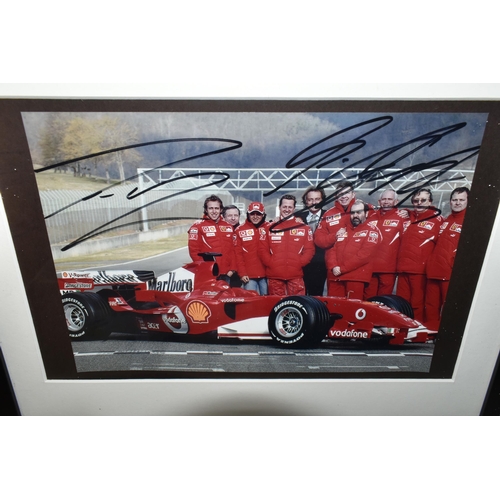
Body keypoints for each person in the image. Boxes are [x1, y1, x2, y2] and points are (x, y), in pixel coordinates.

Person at [396, 188, 444, 323]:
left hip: (420, 270)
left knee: (417, 303)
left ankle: (418, 329)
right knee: (401, 303)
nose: (419, 203)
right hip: (403, 269)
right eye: (416, 201)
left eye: (423, 200)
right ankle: (403, 328)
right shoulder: (408, 218)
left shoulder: (437, 220)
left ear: (430, 202)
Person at [424, 187, 469, 330]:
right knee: (431, 304)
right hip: (434, 269)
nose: (457, 203)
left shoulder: (470, 221)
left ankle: (447, 334)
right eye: (454, 200)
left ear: (468, 201)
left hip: (450, 272)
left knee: (449, 305)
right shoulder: (446, 219)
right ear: (450, 202)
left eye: (461, 200)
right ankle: (431, 331)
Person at [258, 194, 314, 296]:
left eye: (290, 207)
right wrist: (271, 263)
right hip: (275, 275)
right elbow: (262, 249)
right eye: (284, 207)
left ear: (294, 208)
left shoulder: (304, 228)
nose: (287, 210)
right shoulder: (269, 227)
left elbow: (309, 250)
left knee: (298, 305)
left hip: (295, 275)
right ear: (279, 207)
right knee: (277, 306)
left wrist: (299, 263)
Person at [326, 200, 381, 300]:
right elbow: (333, 250)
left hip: (355, 278)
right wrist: (333, 266)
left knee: (352, 309)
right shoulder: (344, 230)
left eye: (359, 212)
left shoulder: (372, 230)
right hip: (336, 277)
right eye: (353, 212)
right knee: (333, 308)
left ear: (366, 213)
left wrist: (342, 269)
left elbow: (364, 255)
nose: (355, 215)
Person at [363, 189, 409, 298]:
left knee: (384, 301)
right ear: (379, 202)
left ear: (396, 202)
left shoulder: (402, 218)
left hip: (389, 268)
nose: (386, 202)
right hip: (370, 268)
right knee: (368, 300)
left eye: (389, 199)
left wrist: (409, 211)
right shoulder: (371, 217)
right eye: (384, 199)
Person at [187, 195, 237, 280]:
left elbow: (234, 250)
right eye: (211, 208)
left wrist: (232, 269)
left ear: (221, 210)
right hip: (208, 274)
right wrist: (205, 268)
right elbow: (194, 252)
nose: (214, 211)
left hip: (227, 274)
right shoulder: (197, 227)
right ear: (206, 210)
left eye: (216, 208)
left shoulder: (229, 227)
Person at [314, 181, 357, 275]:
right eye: (340, 194)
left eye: (347, 193)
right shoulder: (328, 214)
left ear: (353, 194)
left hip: (357, 265)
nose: (343, 196)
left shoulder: (364, 209)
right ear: (335, 196)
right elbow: (318, 239)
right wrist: (335, 236)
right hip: (334, 265)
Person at [296, 186, 327, 296]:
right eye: (310, 200)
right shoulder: (298, 216)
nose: (314, 202)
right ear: (306, 202)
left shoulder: (329, 215)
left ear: (322, 200)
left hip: (321, 264)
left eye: (317, 199)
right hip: (302, 265)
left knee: (318, 297)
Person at [234, 202, 269, 295]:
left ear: (263, 215)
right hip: (249, 276)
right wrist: (242, 273)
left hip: (267, 275)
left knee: (267, 303)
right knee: (251, 303)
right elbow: (238, 255)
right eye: (252, 214)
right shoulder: (239, 230)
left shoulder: (270, 227)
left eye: (258, 214)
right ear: (248, 214)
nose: (255, 216)